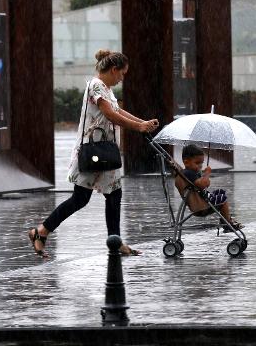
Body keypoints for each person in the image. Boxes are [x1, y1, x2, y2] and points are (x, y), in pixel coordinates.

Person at [28, 49, 159, 258]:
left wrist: (141, 123)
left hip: (106, 152)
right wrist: (138, 127)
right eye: (122, 73)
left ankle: (115, 242)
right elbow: (108, 113)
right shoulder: (96, 85)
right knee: (80, 199)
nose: (122, 78)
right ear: (114, 69)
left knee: (114, 195)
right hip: (94, 153)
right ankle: (41, 231)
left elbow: (116, 111)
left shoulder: (106, 88)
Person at [180, 144, 244, 232]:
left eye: (201, 163)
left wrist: (204, 177)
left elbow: (206, 184)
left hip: (204, 200)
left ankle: (225, 219)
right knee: (223, 200)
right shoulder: (188, 173)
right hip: (201, 206)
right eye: (197, 163)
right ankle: (227, 223)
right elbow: (203, 184)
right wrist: (207, 174)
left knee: (220, 192)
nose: (200, 166)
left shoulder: (192, 172)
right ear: (186, 162)